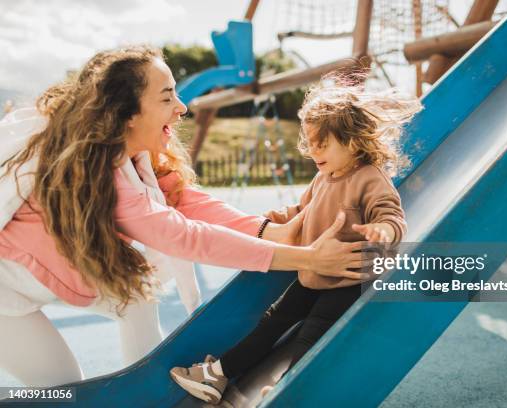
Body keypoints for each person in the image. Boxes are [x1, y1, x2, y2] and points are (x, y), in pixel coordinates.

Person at [0, 46, 371, 387]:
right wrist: (308, 258)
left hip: (47, 275)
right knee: (62, 389)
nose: (182, 107)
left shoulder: (131, 156)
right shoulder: (105, 176)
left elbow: (186, 201)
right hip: (5, 300)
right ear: (128, 114)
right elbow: (187, 236)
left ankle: (145, 394)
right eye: (166, 98)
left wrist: (274, 232)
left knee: (135, 298)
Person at [170, 77, 422, 404]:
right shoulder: (323, 177)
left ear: (352, 142)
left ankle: (288, 391)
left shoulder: (370, 178)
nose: (313, 150)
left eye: (323, 143)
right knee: (272, 322)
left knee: (311, 334)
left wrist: (383, 231)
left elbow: (391, 215)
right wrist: (270, 221)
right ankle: (219, 374)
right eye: (311, 142)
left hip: (349, 279)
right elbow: (301, 211)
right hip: (313, 273)